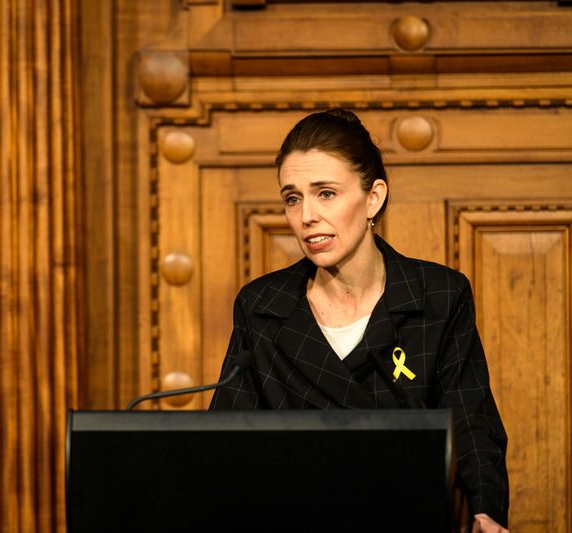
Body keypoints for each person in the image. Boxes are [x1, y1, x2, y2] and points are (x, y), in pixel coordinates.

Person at [209, 109, 509, 532]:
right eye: (292, 197)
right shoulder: (262, 306)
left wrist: (486, 510)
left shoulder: (439, 296)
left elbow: (472, 421)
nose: (306, 215)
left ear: (373, 197)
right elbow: (225, 443)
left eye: (325, 193)